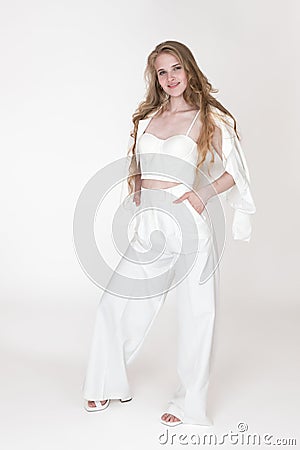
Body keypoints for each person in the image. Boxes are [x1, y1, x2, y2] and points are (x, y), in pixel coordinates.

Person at [81, 40, 256, 426]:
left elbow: (236, 170)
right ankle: (107, 382)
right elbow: (139, 164)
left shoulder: (207, 118)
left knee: (198, 312)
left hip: (187, 221)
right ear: (156, 79)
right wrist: (139, 192)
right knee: (115, 302)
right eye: (162, 71)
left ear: (189, 69)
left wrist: (203, 193)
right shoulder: (148, 119)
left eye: (176, 68)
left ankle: (187, 402)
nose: (170, 77)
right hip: (149, 224)